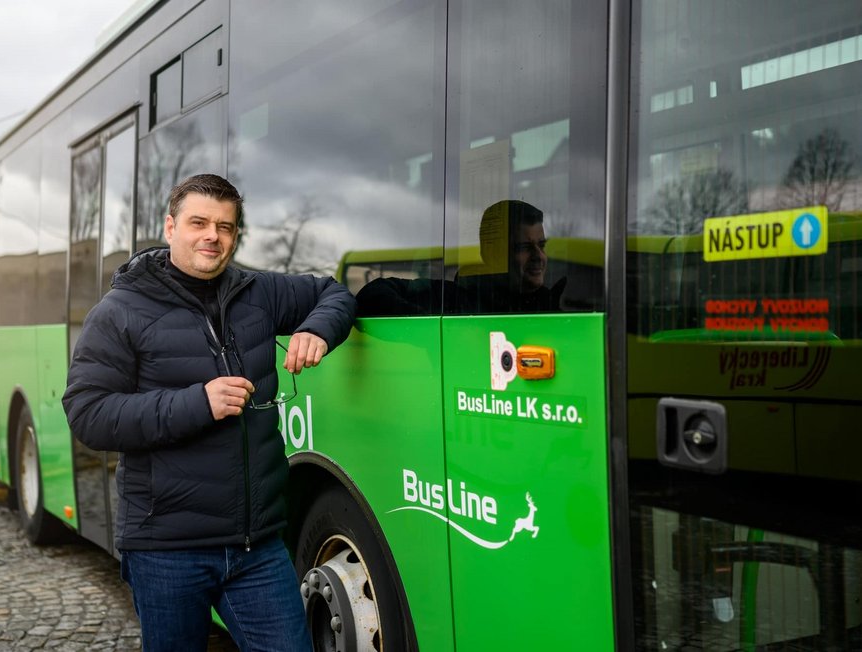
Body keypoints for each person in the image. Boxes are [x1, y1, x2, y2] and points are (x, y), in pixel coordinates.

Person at [62, 173, 356, 652]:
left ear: (235, 236)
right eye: (198, 222)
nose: (212, 236)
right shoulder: (120, 311)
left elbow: (334, 292)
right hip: (166, 550)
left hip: (256, 547)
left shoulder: (258, 292)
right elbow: (88, 413)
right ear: (170, 226)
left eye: (225, 227)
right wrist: (197, 402)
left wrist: (318, 330)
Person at [355, 199, 565, 316]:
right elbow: (372, 295)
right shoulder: (455, 298)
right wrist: (434, 328)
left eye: (542, 245)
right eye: (524, 247)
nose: (539, 256)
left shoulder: (554, 305)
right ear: (492, 254)